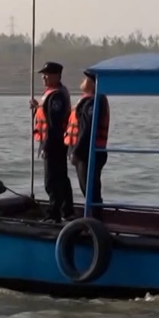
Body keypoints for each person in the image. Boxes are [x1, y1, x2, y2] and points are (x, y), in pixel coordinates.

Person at [29, 61, 73, 222]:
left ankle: (54, 214)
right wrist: (38, 108)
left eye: (47, 75)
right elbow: (47, 114)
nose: (44, 78)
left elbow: (54, 123)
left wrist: (48, 146)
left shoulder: (57, 96)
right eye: (43, 75)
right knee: (61, 177)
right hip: (54, 142)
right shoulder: (52, 94)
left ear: (57, 76)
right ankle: (67, 211)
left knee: (52, 180)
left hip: (54, 142)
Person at [65, 70, 110, 211]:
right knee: (89, 189)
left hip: (88, 152)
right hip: (86, 151)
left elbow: (87, 129)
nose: (82, 81)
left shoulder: (92, 102)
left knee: (90, 189)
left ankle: (95, 218)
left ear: (93, 84)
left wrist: (76, 151)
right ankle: (93, 215)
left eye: (85, 79)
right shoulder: (89, 100)